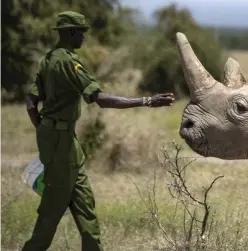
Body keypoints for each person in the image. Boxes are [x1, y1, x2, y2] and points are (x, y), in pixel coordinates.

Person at [23, 11, 175, 251]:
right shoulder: (68, 62)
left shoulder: (47, 59)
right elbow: (100, 99)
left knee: (85, 206)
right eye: (81, 32)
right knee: (51, 212)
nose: (84, 37)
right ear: (71, 32)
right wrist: (146, 101)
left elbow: (31, 103)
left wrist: (45, 131)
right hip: (61, 144)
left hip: (64, 141)